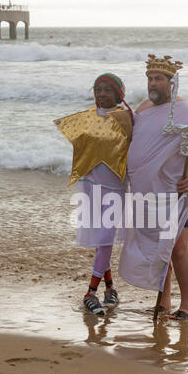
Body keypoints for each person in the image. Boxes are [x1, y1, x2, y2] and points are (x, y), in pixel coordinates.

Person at [119, 55, 188, 320]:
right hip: (146, 193)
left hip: (174, 193)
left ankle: (186, 307)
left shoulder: (187, 110)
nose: (153, 83)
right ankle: (163, 303)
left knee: (177, 249)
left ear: (171, 83)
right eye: (150, 78)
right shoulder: (142, 109)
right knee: (157, 247)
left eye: (159, 79)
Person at [54, 73, 133, 316]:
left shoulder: (127, 118)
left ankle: (90, 293)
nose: (101, 94)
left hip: (115, 187)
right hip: (90, 185)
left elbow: (141, 146)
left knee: (106, 239)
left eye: (107, 90)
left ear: (119, 94)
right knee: (102, 241)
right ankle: (109, 288)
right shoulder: (87, 117)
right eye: (98, 90)